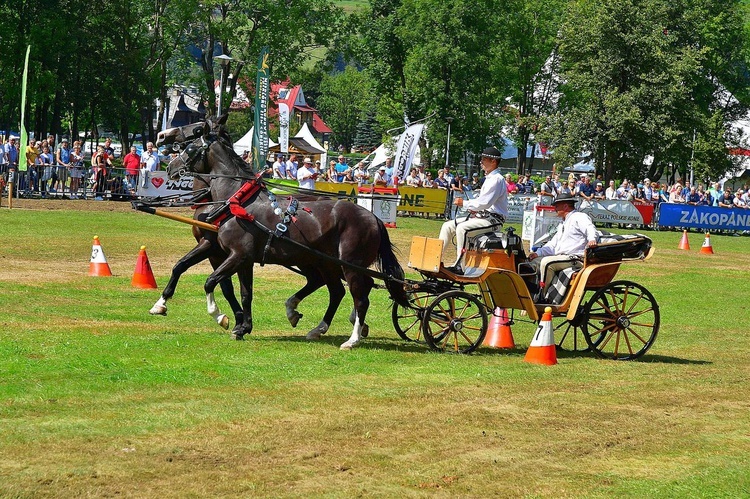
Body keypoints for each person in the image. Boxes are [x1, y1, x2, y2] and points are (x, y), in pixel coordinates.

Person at [438, 146, 508, 274]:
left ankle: (461, 265)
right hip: (483, 217)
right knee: (447, 226)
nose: (481, 162)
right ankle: (436, 259)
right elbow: (482, 204)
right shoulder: (489, 179)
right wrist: (473, 209)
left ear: (493, 162)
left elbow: (484, 203)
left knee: (462, 229)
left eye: (484, 159)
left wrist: (463, 203)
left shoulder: (497, 180)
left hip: (493, 221)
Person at [527, 194, 598, 298]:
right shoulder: (563, 224)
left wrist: (592, 239)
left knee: (547, 263)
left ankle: (541, 297)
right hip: (562, 258)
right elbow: (552, 244)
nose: (554, 208)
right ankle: (531, 293)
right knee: (532, 262)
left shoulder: (579, 217)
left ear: (565, 206)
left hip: (576, 258)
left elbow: (590, 228)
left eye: (556, 206)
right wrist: (537, 253)